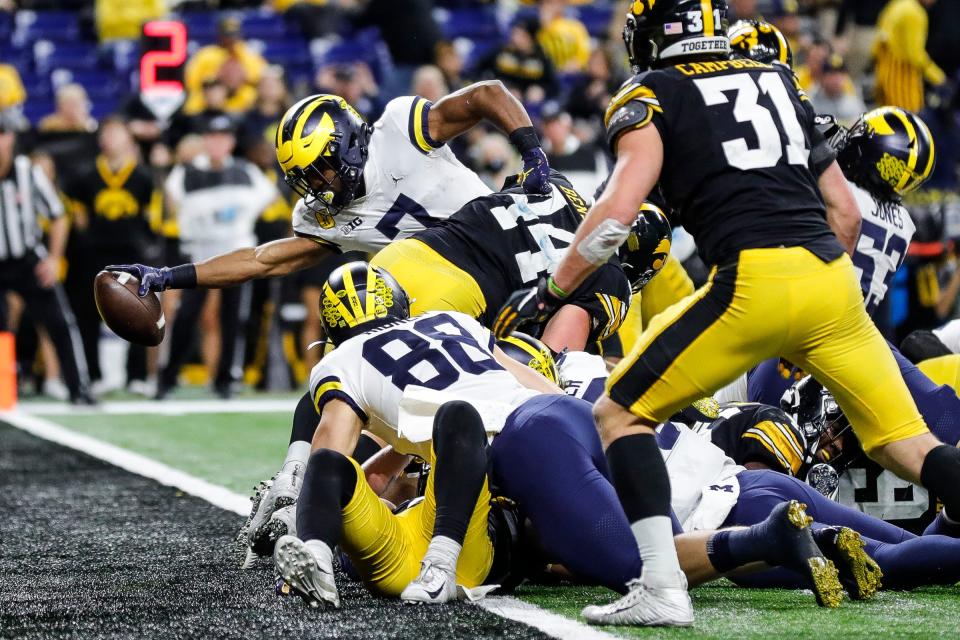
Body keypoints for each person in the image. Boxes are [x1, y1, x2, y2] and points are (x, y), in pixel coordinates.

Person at [491, 0, 960, 627]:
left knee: (619, 412)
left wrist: (551, 292)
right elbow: (844, 213)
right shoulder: (776, 81)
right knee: (911, 445)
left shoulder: (652, 93)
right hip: (832, 284)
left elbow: (614, 217)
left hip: (751, 281)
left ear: (653, 35)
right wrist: (818, 313)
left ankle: (660, 587)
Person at [275, 262, 846, 612]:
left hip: (526, 449)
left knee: (643, 565)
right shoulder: (452, 324)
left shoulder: (344, 363)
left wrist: (300, 503)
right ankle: (924, 540)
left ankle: (768, 540)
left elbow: (343, 457)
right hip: (606, 427)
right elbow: (527, 389)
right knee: (661, 542)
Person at [108, 82, 551, 301]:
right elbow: (261, 261)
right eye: (306, 179)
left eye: (321, 171)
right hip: (458, 296)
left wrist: (531, 152)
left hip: (515, 257)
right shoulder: (323, 217)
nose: (317, 187)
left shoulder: (401, 129)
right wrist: (169, 277)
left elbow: (488, 94)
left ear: (348, 143)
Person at [158, 114, 279, 399]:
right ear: (205, 141)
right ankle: (167, 378)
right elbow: (171, 201)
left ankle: (226, 379)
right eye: (212, 138)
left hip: (237, 253)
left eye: (223, 138)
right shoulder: (186, 172)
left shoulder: (245, 170)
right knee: (187, 316)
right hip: (200, 253)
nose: (217, 143)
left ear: (231, 142)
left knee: (234, 318)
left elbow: (271, 197)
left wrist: (238, 221)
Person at [0, 110, 93, 405]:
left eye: (1, 135)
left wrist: (53, 258)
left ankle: (79, 389)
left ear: (11, 138)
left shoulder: (28, 172)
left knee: (60, 322)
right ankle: (3, 394)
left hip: (27, 259)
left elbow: (57, 215)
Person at [62, 116, 156, 393]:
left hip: (133, 253)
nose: (110, 139)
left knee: (142, 311)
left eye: (116, 133)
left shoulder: (143, 176)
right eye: (107, 133)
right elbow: (77, 217)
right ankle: (94, 374)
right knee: (88, 314)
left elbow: (152, 218)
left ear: (129, 138)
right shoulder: (85, 175)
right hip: (94, 253)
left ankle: (136, 375)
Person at [183, 16, 267, 115]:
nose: (230, 39)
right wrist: (216, 77)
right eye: (227, 35)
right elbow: (191, 82)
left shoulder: (248, 53)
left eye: (233, 35)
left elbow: (261, 78)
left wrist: (243, 78)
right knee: (195, 100)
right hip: (210, 100)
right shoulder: (206, 54)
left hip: (242, 103)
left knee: (255, 95)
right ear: (219, 35)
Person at [873, 0, 946, 113]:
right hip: (902, 79)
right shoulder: (915, 13)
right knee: (908, 122)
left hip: (884, 72)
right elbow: (915, 55)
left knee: (886, 119)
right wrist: (938, 77)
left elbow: (878, 42)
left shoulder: (896, 4)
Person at [808, 55, 865, 127]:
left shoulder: (855, 104)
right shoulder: (811, 104)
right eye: (831, 74)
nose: (836, 79)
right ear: (822, 77)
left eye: (841, 74)